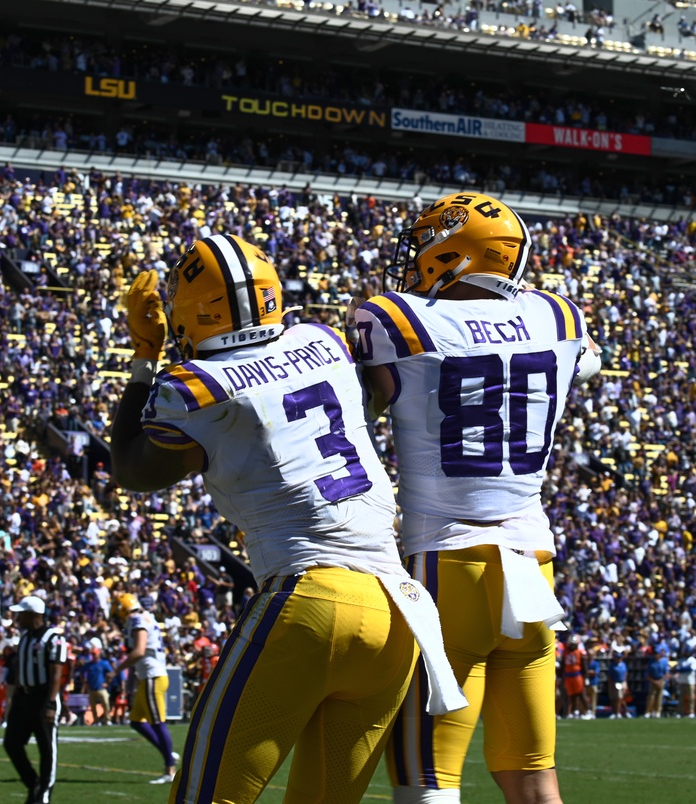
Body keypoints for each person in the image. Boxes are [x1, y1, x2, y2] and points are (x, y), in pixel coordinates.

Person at [111, 237, 464, 804]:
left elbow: (132, 470)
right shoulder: (322, 341)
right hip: (397, 613)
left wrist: (142, 356)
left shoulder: (195, 388)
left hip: (309, 600)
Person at [351, 191, 602, 804]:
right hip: (533, 566)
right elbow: (586, 364)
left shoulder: (394, 319)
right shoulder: (559, 318)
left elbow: (361, 407)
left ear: (455, 253)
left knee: (427, 778)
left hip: (446, 563)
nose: (412, 263)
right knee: (534, 776)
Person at [3, 596, 68, 804]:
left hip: (42, 697)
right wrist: (14, 698)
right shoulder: (24, 638)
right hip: (24, 696)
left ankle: (44, 794)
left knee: (46, 748)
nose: (17, 618)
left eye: (21, 614)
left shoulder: (53, 638)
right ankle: (33, 783)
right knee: (11, 743)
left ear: (33, 615)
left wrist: (50, 703)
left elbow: (56, 673)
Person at [114, 593, 177, 783]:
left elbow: (139, 650)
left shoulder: (136, 619)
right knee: (136, 721)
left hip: (152, 676)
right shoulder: (148, 616)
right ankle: (168, 754)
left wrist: (116, 670)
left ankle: (170, 770)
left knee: (157, 723)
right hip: (152, 675)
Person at [80, 645, 115, 726]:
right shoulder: (89, 664)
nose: (94, 655)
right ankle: (96, 720)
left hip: (101, 688)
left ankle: (107, 719)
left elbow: (111, 673)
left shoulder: (104, 663)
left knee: (106, 703)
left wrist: (107, 683)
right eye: (93, 654)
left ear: (99, 654)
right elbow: (81, 673)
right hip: (91, 688)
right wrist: (84, 682)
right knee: (93, 706)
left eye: (95, 654)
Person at [562, 635, 588, 719]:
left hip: (577, 675)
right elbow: (563, 665)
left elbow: (584, 667)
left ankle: (588, 710)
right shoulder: (565, 652)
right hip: (568, 676)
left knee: (581, 693)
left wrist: (586, 678)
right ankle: (575, 711)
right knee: (572, 695)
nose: (572, 646)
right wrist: (561, 675)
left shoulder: (580, 652)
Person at [645, 646, 670, 718]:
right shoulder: (651, 662)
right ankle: (648, 711)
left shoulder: (664, 661)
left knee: (659, 697)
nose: (655, 655)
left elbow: (666, 673)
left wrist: (660, 681)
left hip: (661, 681)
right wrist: (654, 681)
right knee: (651, 697)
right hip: (653, 681)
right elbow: (648, 674)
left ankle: (657, 712)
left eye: (657, 653)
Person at [607, 653, 630, 718]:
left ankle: (619, 712)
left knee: (620, 698)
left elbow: (625, 674)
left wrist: (625, 682)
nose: (618, 659)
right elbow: (609, 676)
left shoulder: (623, 665)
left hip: (622, 682)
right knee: (614, 699)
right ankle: (616, 712)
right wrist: (611, 684)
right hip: (614, 683)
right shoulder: (612, 665)